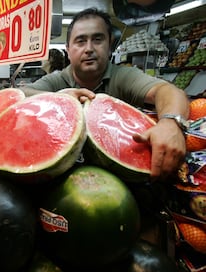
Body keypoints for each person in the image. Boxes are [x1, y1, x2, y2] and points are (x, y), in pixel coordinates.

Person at [20, 8, 189, 181]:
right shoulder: (56, 80)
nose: (89, 49)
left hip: (122, 178)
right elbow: (19, 95)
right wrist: (58, 99)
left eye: (97, 39)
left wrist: (171, 123)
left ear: (110, 45)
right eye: (80, 41)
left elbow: (169, 91)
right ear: (68, 49)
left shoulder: (123, 76)